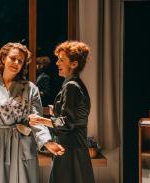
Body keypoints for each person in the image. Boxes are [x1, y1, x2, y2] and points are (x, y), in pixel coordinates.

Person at [0, 42, 64, 183]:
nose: (16, 63)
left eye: (20, 61)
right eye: (13, 58)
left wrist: (47, 141)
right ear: (3, 58)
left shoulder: (30, 89)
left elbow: (36, 120)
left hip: (23, 144)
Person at [29, 41, 95, 183]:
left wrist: (41, 120)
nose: (57, 63)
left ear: (74, 64)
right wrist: (56, 113)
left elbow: (67, 123)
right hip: (75, 146)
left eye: (61, 60)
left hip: (70, 148)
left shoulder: (71, 86)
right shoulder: (75, 84)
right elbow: (73, 117)